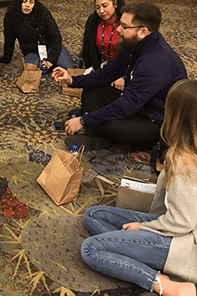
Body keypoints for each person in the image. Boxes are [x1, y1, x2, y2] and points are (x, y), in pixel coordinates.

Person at [81, 79, 197, 296]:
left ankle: (166, 284)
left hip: (181, 244)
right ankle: (138, 257)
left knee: (91, 248)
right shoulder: (186, 151)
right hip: (169, 226)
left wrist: (142, 229)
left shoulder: (183, 160)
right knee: (94, 214)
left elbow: (183, 222)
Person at [52, 1, 187, 151]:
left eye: (124, 26)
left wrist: (84, 120)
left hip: (156, 121)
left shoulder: (155, 62)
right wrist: (72, 80)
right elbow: (107, 74)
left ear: (143, 31)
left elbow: (127, 105)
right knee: (93, 89)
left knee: (111, 126)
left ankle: (99, 136)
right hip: (140, 106)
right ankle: (92, 129)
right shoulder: (134, 45)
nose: (118, 29)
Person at [0, 0, 74, 70]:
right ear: (19, 2)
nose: (27, 5)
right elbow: (9, 38)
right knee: (36, 71)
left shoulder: (43, 12)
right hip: (31, 51)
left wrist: (51, 59)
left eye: (31, 2)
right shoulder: (11, 16)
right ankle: (53, 66)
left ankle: (60, 63)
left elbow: (55, 36)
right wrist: (6, 58)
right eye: (24, 1)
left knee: (69, 68)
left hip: (50, 46)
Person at [80, 0, 126, 91]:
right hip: (102, 63)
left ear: (115, 3)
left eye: (105, 6)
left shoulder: (125, 21)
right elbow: (88, 46)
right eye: (97, 7)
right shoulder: (93, 21)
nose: (101, 11)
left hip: (122, 66)